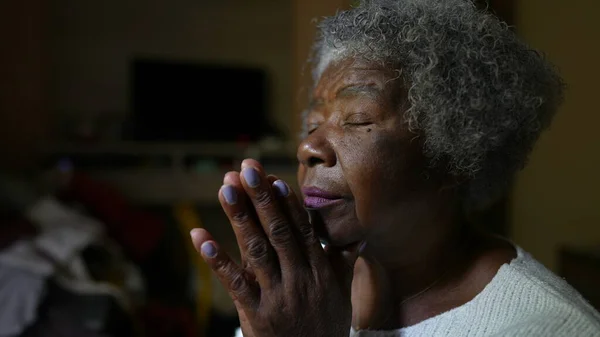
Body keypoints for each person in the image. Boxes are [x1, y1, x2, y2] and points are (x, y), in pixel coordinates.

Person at [190, 0, 600, 336]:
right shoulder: (295, 293)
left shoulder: (545, 327)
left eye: (358, 118)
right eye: (313, 124)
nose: (308, 147)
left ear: (452, 150)